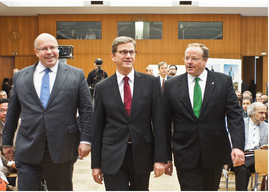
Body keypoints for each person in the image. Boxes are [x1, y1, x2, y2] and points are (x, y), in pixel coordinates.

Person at [2, 33, 93, 191]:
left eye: (53, 47)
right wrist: (7, 141)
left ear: (58, 49)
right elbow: (12, 112)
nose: (49, 51)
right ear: (36, 52)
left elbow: (86, 110)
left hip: (62, 148)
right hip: (28, 146)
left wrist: (86, 140)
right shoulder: (21, 76)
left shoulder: (76, 75)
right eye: (44, 48)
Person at [163, 43, 245, 191]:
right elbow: (165, 122)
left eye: (194, 58)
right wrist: (165, 156)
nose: (189, 62)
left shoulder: (223, 81)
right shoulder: (171, 85)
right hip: (185, 151)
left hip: (214, 150)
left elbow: (235, 115)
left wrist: (238, 146)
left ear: (205, 60)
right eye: (186, 58)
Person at [91, 36, 167, 191]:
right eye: (123, 52)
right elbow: (97, 127)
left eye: (131, 52)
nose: (128, 56)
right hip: (112, 154)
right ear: (113, 56)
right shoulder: (102, 87)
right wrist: (96, 164)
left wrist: (160, 158)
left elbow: (159, 123)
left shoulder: (150, 82)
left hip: (142, 153)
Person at [231, 102, 268, 191]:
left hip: (258, 158)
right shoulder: (240, 124)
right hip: (239, 157)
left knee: (257, 158)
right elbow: (231, 143)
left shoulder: (267, 127)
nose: (264, 115)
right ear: (252, 112)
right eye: (261, 113)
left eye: (265, 113)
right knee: (242, 170)